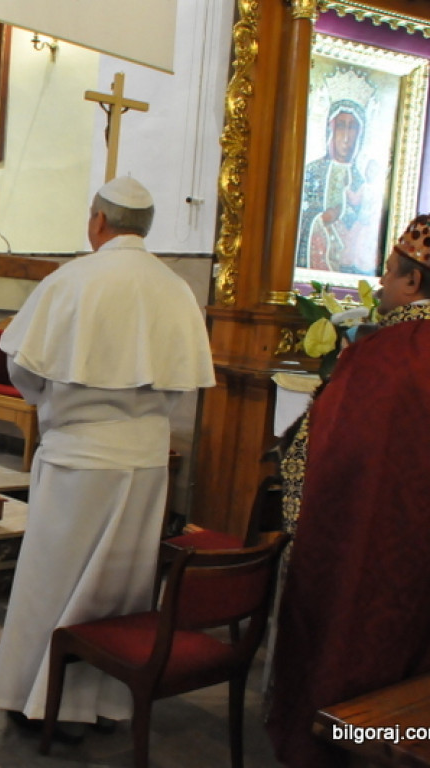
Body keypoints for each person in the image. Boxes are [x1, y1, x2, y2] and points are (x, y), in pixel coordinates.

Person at [0, 176, 215, 730]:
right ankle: (104, 702)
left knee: (52, 584)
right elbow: (179, 384)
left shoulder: (71, 279)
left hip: (77, 461)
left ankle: (35, 701)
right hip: (143, 464)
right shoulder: (175, 288)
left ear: (97, 222)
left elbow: (22, 368)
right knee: (120, 589)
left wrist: (56, 407)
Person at [267, 215, 430, 768]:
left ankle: (335, 746)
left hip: (368, 543)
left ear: (412, 282)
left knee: (348, 643)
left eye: (388, 272)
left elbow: (329, 455)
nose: (382, 283)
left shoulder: (384, 353)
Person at [296, 85, 372, 273]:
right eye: (341, 126)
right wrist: (321, 219)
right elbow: (296, 219)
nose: (346, 137)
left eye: (353, 128)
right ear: (330, 130)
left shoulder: (362, 181)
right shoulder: (312, 172)